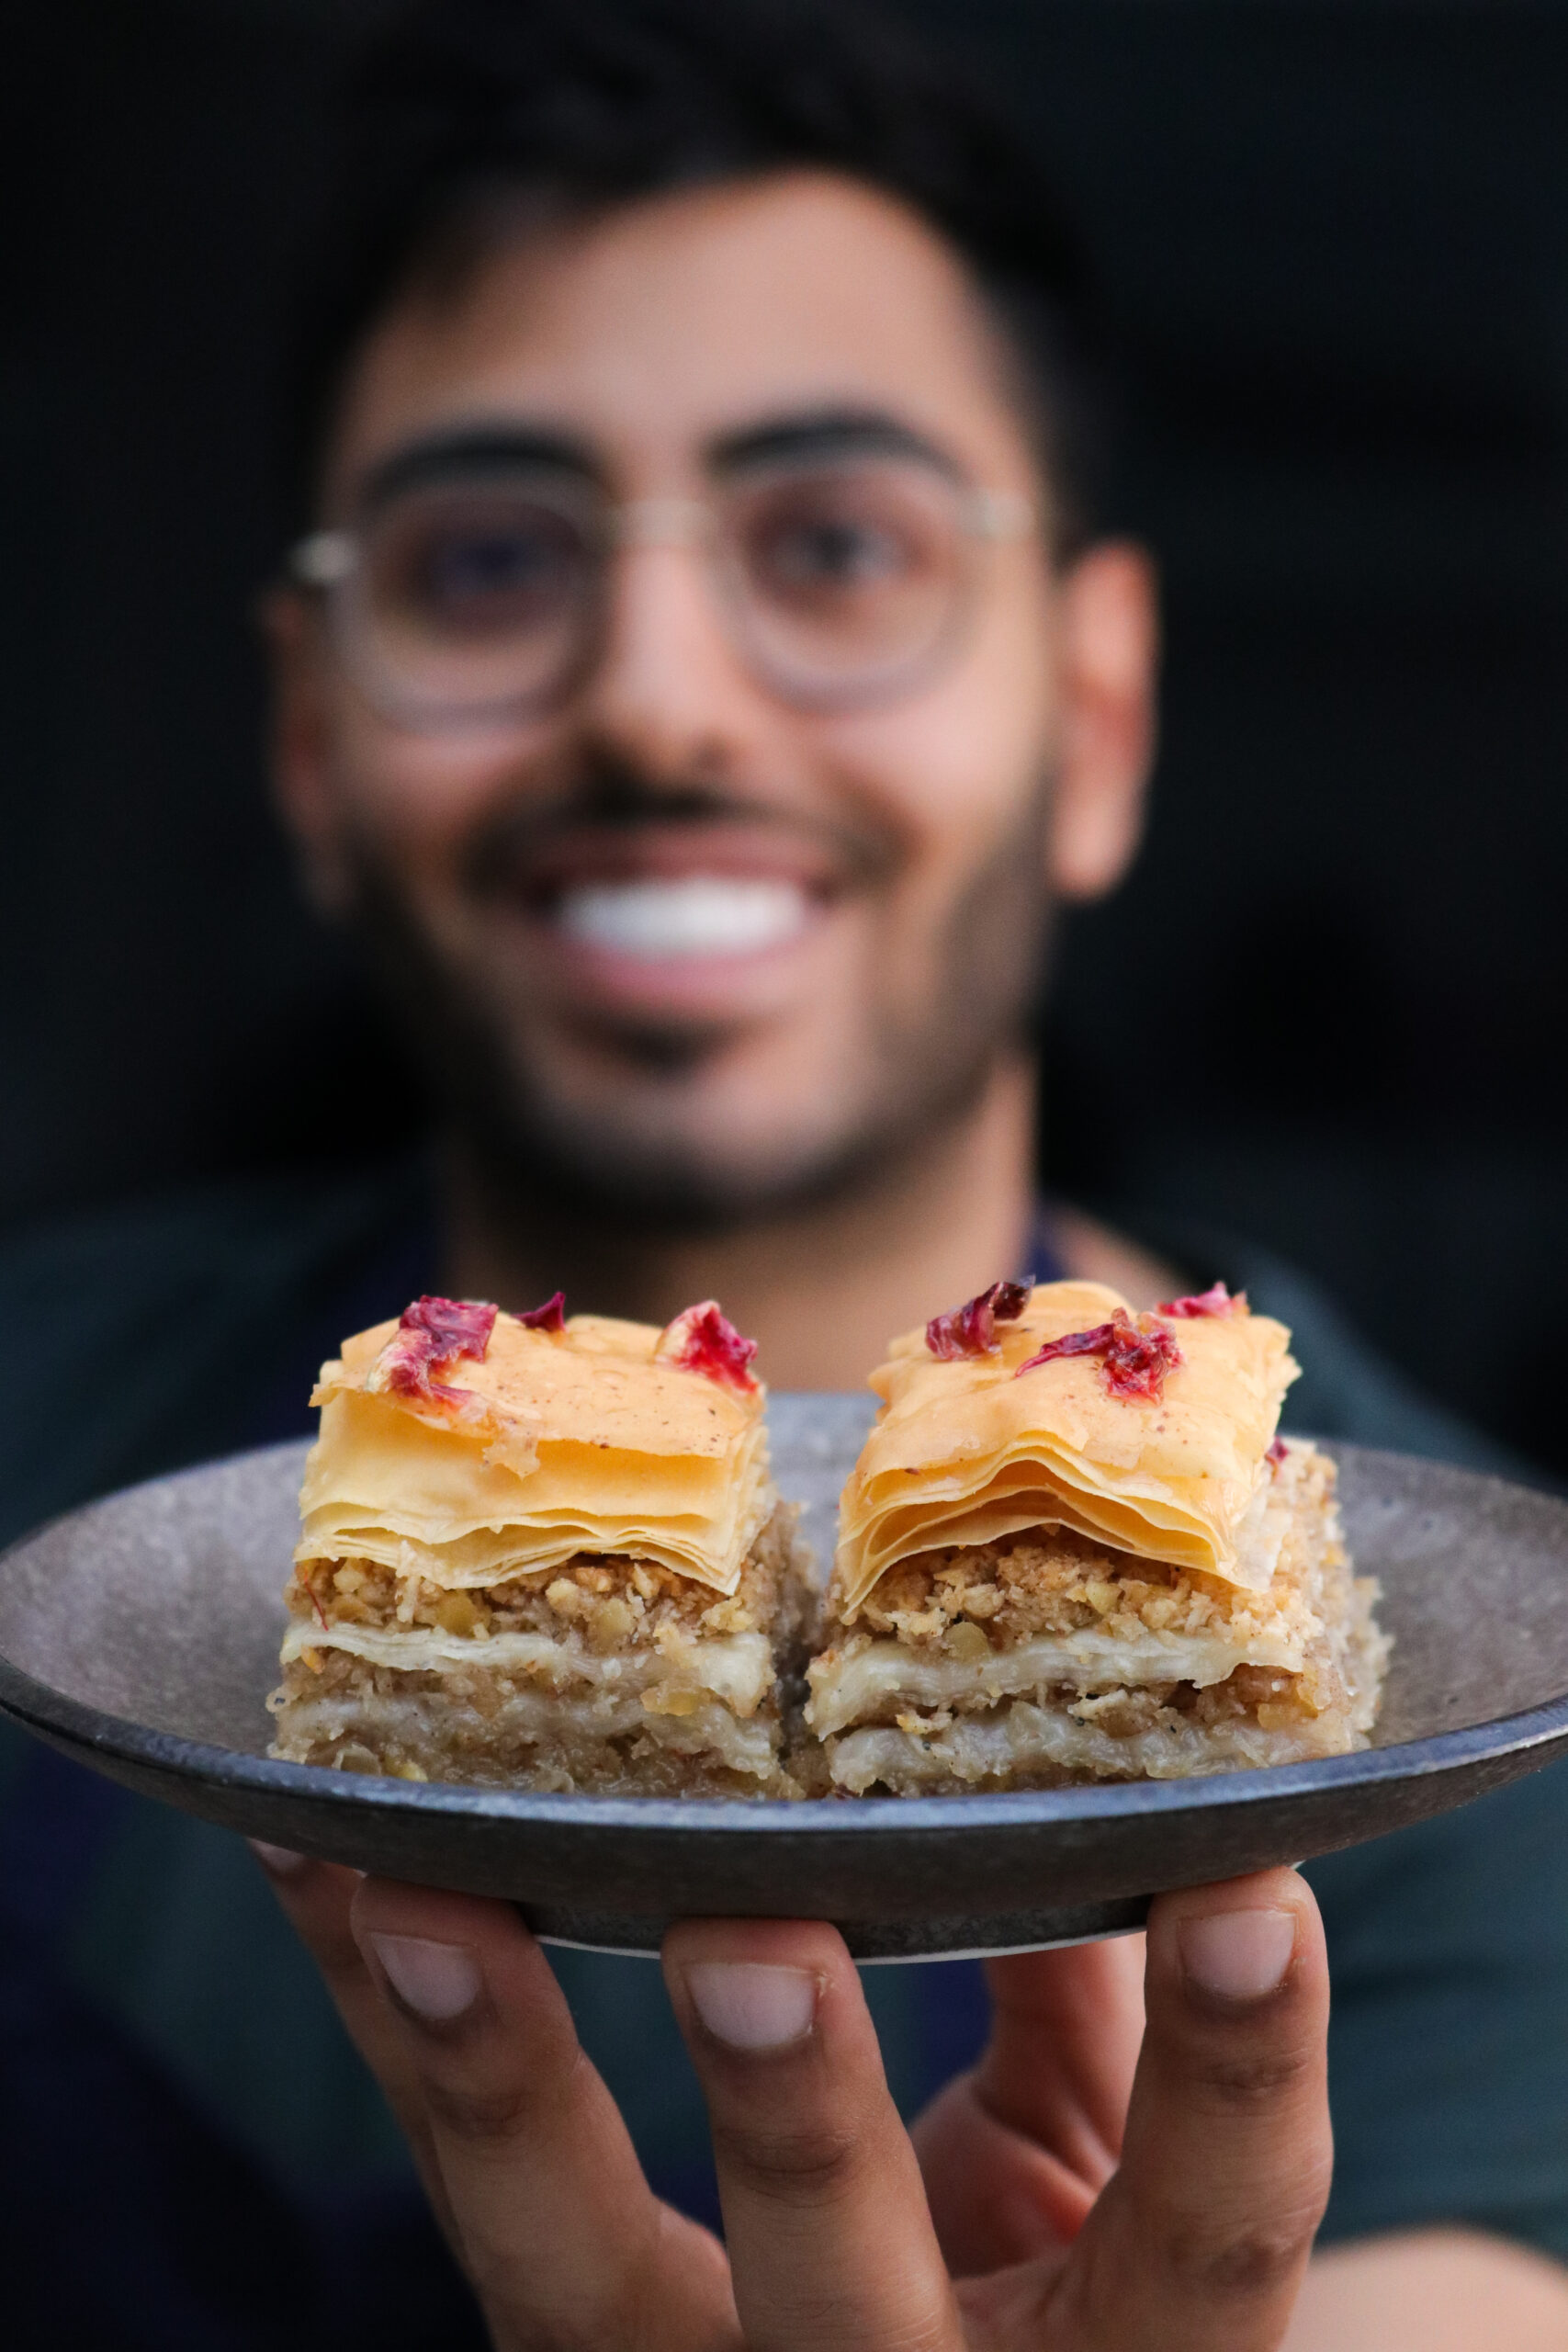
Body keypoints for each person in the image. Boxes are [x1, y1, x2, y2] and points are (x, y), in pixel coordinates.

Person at [3, 1, 1567, 2345]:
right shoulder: (32, 1440)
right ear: (309, 741)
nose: (659, 696)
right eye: (487, 558)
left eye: (834, 541)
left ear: (1098, 712)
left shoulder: (1466, 1732)